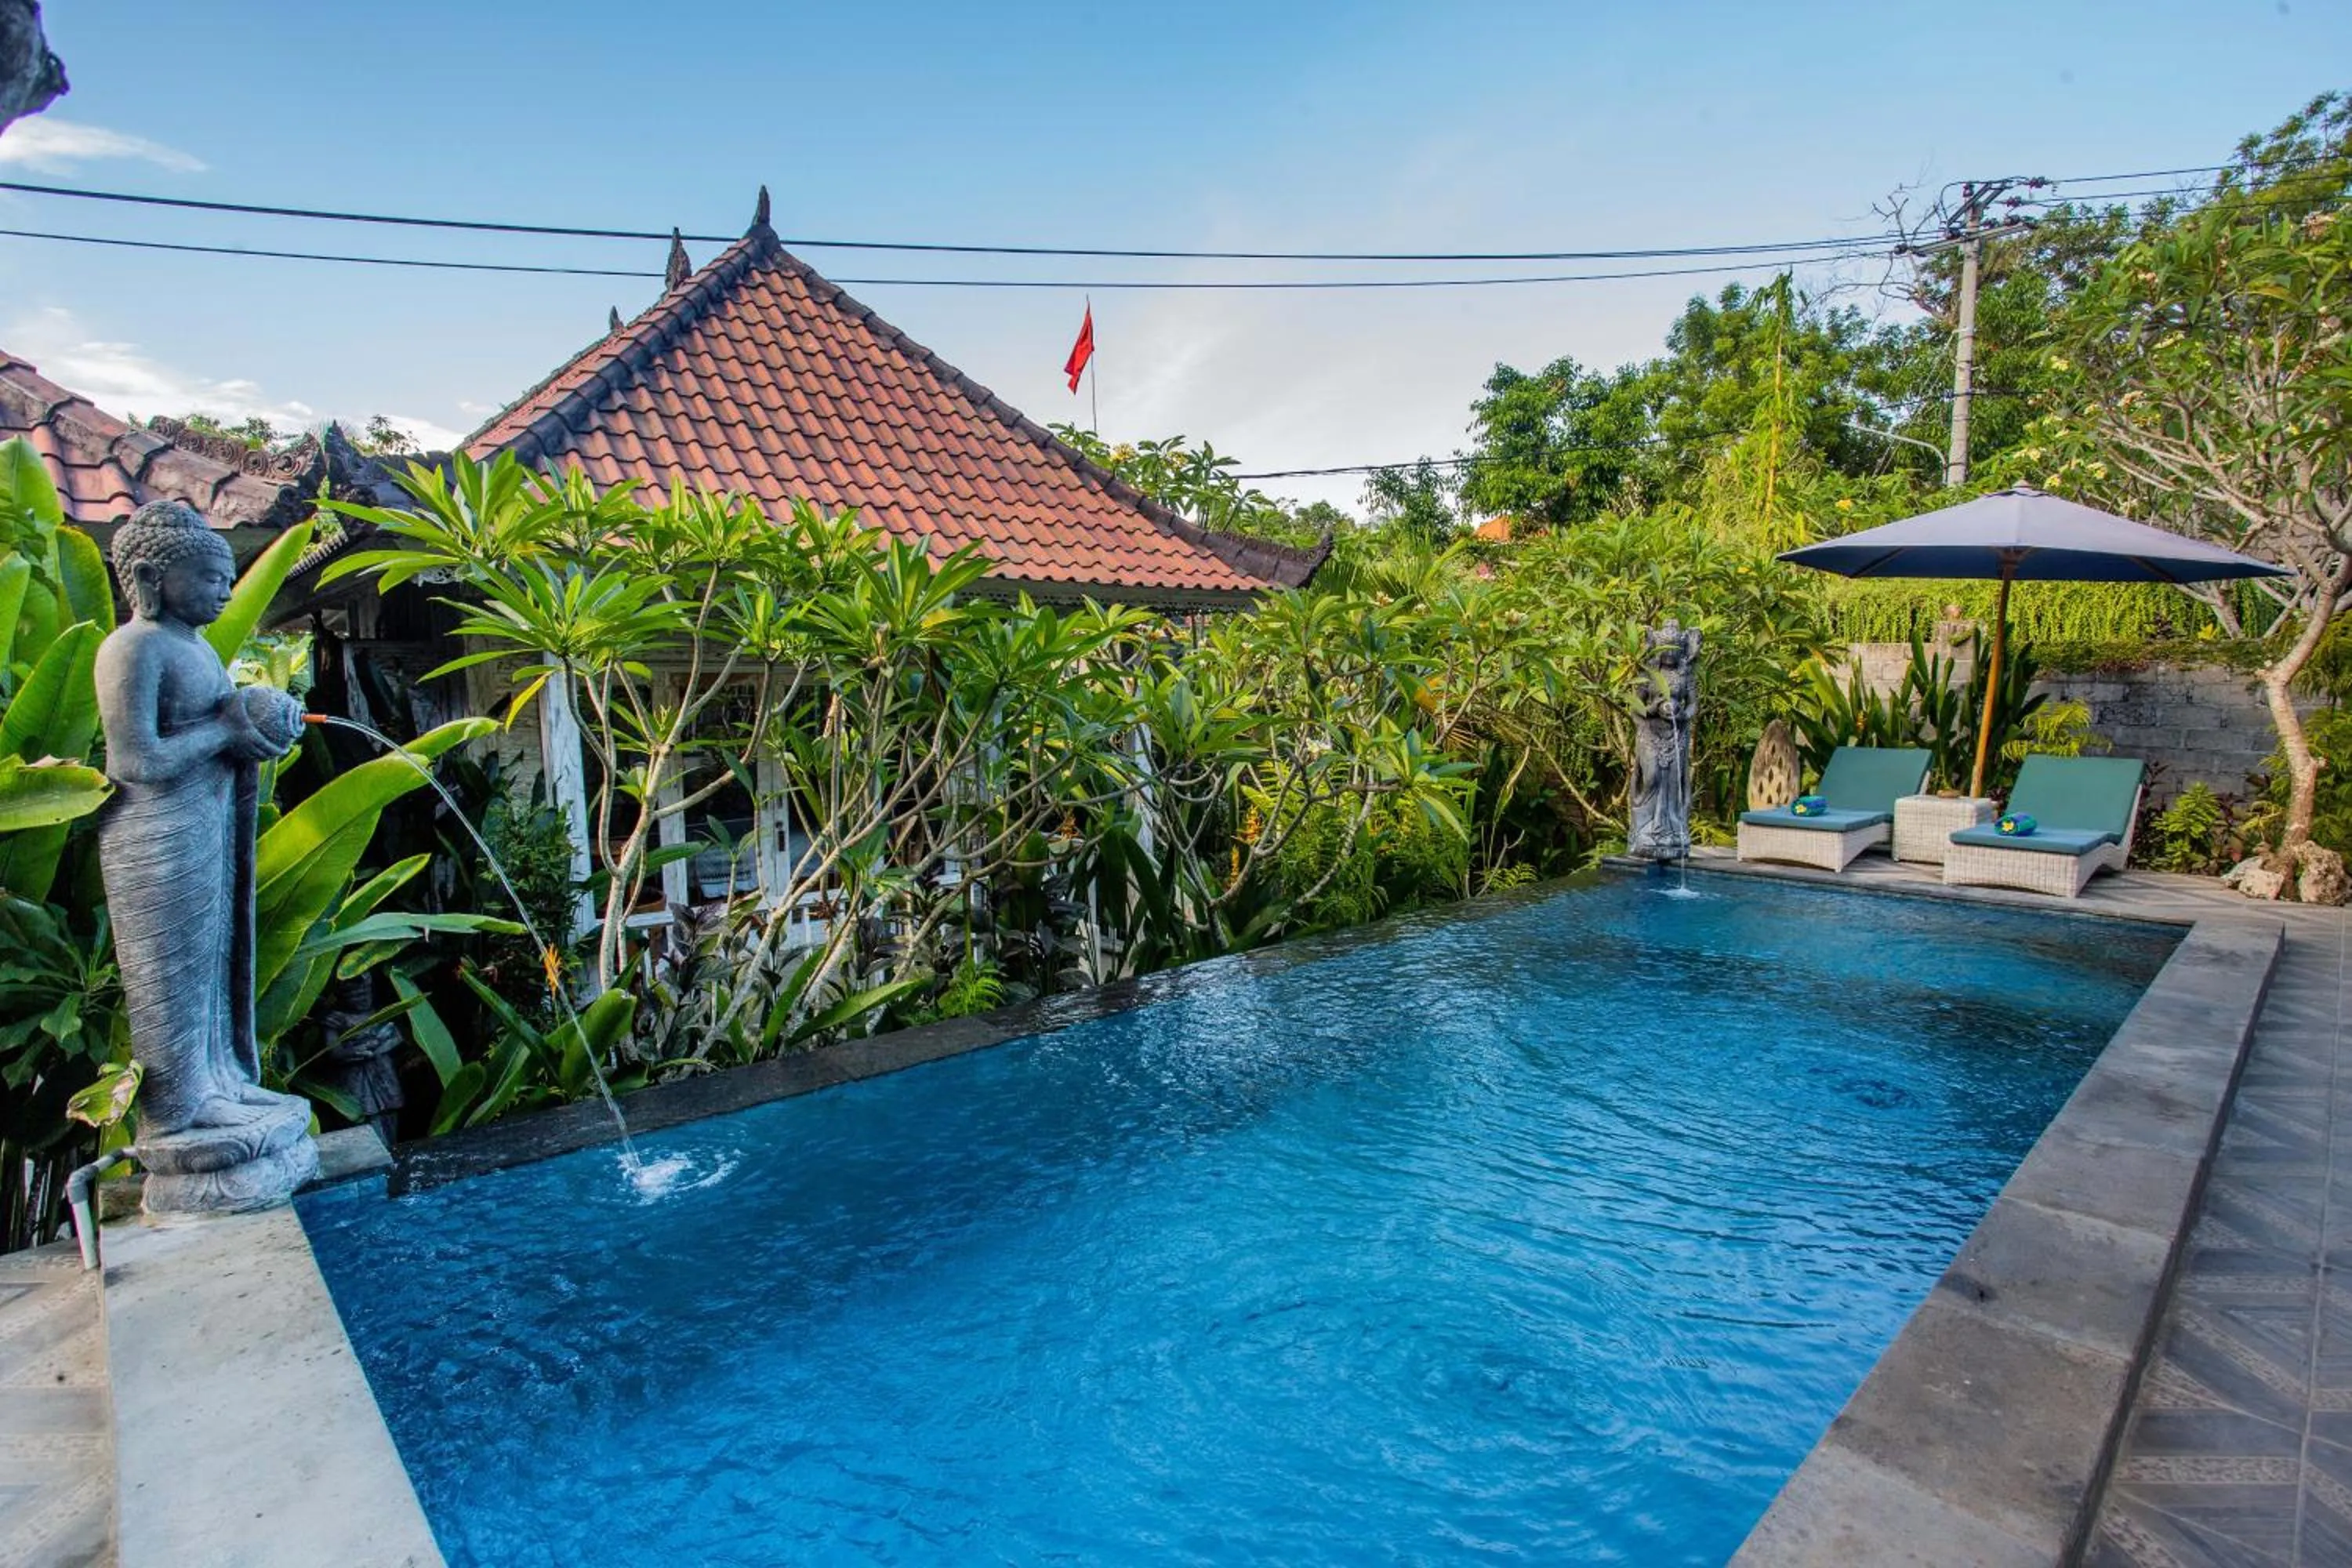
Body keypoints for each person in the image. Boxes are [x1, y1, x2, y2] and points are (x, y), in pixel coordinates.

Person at [93, 499, 307, 1138]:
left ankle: (217, 1080)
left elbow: (225, 731)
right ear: (153, 578)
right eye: (210, 577)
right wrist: (226, 726)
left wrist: (259, 731)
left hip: (205, 821)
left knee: (212, 956)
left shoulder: (197, 649)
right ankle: (178, 1105)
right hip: (153, 832)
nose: (224, 591)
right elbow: (136, 760)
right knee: (171, 965)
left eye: (227, 578)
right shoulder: (133, 648)